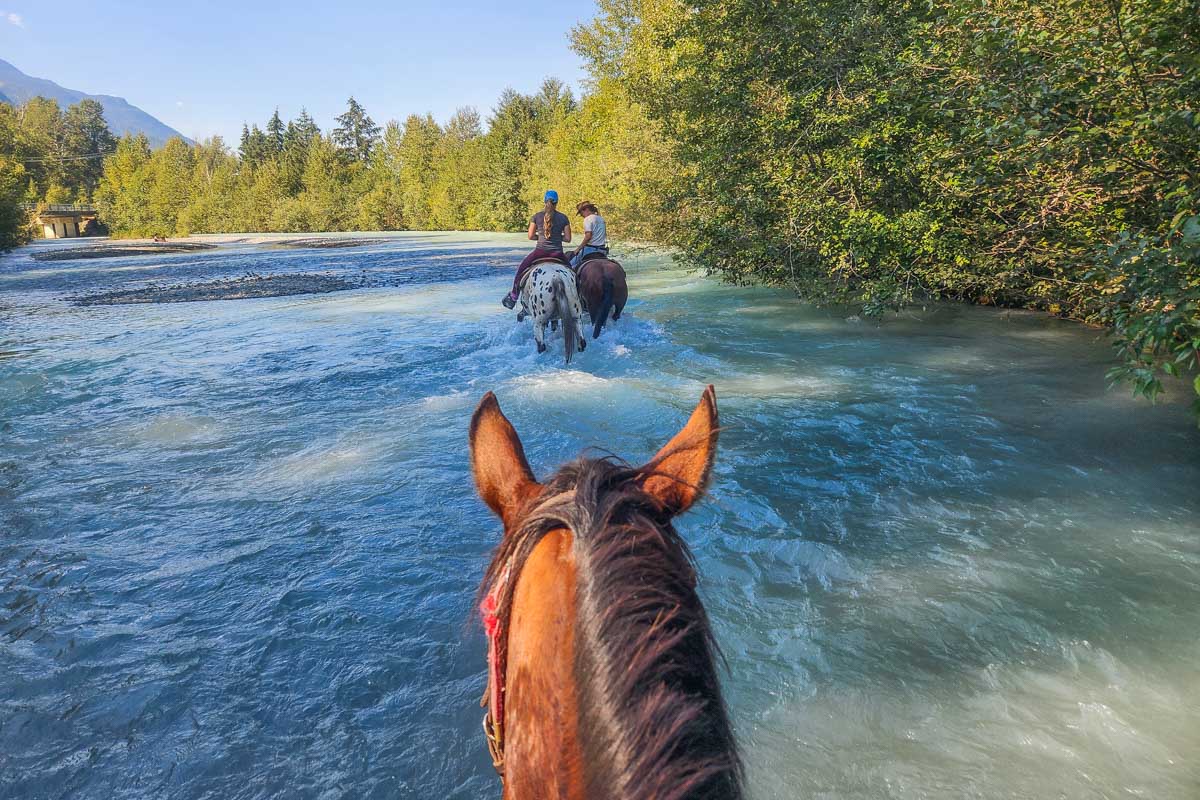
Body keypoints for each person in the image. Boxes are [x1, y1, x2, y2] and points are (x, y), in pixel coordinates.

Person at [502, 190, 572, 309]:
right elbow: (568, 238)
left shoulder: (536, 216)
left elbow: (530, 236)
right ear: (557, 203)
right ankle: (578, 298)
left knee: (521, 269)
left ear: (544, 201)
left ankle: (514, 296)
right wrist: (557, 237)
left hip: (540, 252)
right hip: (558, 254)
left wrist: (540, 236)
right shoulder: (563, 218)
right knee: (573, 273)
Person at [569, 200, 608, 269]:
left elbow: (588, 236)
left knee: (570, 265)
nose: (582, 216)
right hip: (602, 250)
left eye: (581, 213)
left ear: (586, 210)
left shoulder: (588, 219)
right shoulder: (601, 219)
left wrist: (577, 250)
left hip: (590, 250)